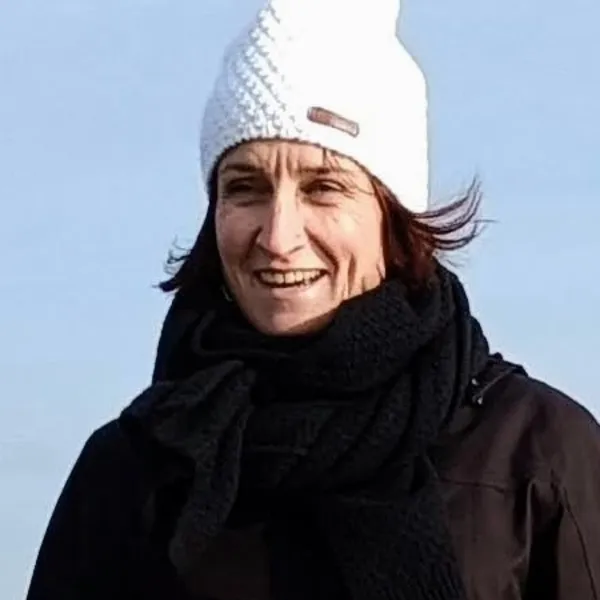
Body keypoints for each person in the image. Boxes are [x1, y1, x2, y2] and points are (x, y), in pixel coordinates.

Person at [26, 0, 600, 598]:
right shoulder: (136, 467)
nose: (278, 237)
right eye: (245, 188)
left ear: (394, 218)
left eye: (323, 188)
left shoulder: (533, 454)